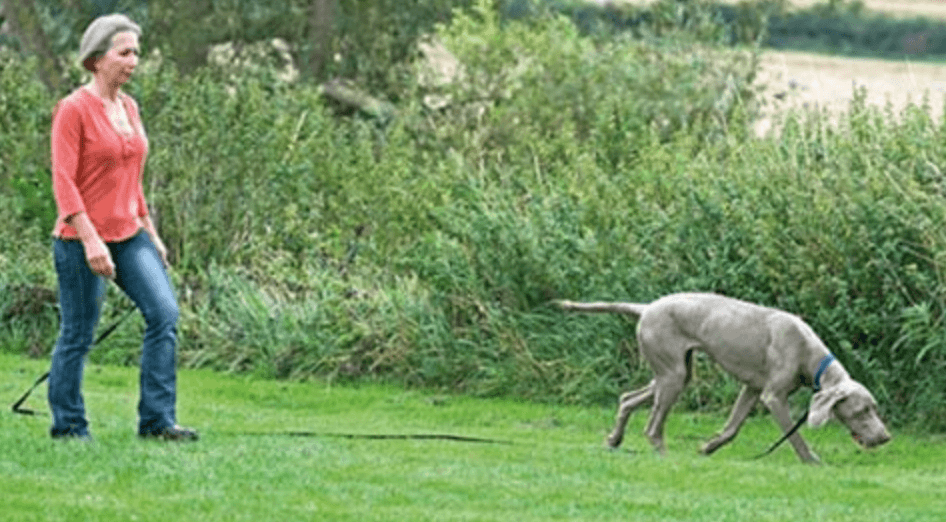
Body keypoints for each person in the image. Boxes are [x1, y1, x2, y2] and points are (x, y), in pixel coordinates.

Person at [48, 13, 197, 441]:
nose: (134, 61)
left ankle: (157, 422)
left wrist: (151, 232)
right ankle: (69, 427)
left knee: (164, 314)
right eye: (124, 52)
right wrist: (91, 240)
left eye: (136, 53)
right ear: (97, 59)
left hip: (130, 236)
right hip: (80, 241)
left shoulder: (129, 107)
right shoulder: (73, 109)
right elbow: (64, 180)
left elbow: (131, 180)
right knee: (77, 334)